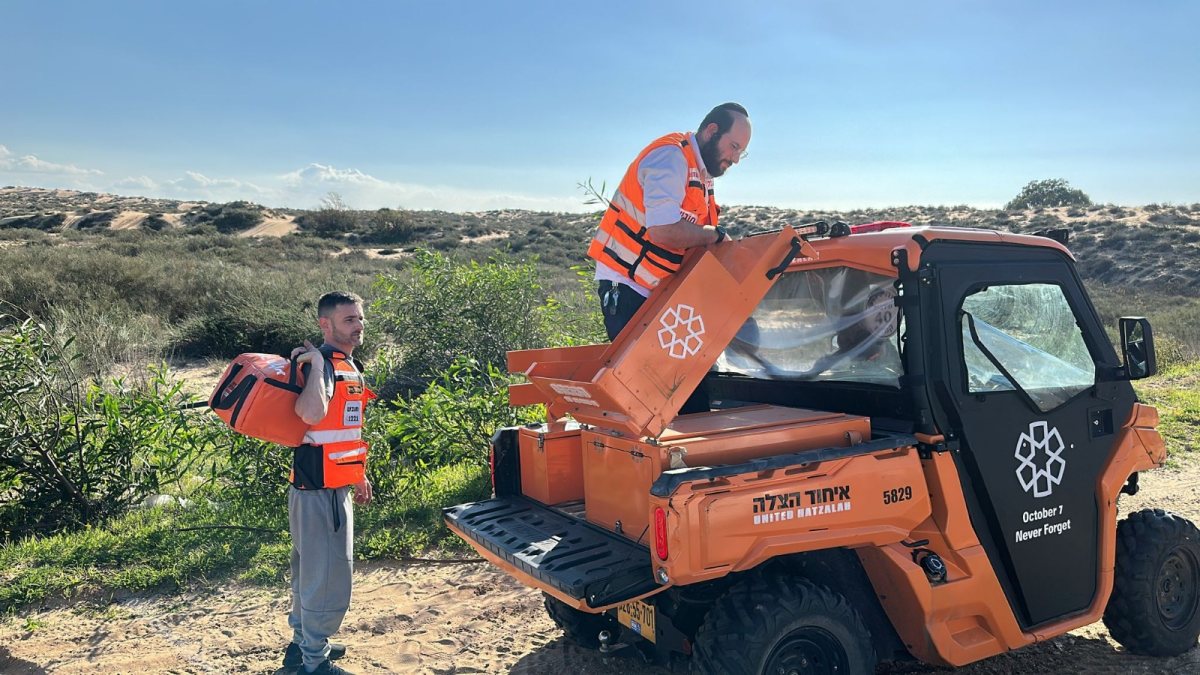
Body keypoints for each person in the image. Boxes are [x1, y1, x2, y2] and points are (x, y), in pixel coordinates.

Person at [588, 102, 752, 340]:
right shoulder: (671, 157)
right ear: (711, 131)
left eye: (741, 152)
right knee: (644, 366)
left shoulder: (701, 172)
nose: (735, 159)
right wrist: (715, 234)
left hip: (658, 291)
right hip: (628, 288)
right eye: (734, 147)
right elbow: (663, 231)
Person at [281, 291, 375, 675]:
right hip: (318, 490)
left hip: (330, 485)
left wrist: (358, 473)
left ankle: (301, 646)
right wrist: (318, 365)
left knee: (311, 571)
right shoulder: (322, 364)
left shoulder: (346, 364)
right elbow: (310, 413)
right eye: (349, 320)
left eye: (360, 318)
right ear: (325, 324)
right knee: (327, 577)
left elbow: (342, 431)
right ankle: (315, 663)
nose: (358, 326)